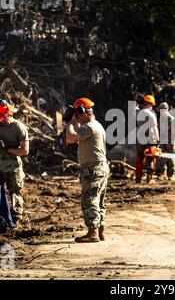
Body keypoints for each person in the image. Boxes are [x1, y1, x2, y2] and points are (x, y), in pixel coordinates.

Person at [66, 97, 109, 243]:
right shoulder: (95, 125)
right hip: (99, 167)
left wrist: (70, 123)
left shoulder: (89, 126)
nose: (75, 117)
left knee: (89, 200)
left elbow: (70, 138)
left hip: (93, 169)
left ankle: (93, 232)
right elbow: (77, 136)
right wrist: (75, 122)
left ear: (83, 112)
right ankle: (100, 229)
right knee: (98, 200)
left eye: (76, 113)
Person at [135, 95, 159, 184]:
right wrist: (157, 139)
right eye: (152, 105)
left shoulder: (139, 113)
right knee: (150, 159)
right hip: (150, 139)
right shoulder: (151, 114)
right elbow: (154, 128)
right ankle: (149, 179)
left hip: (140, 139)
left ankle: (138, 179)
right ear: (149, 104)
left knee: (139, 158)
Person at [156, 102, 175, 181]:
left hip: (171, 140)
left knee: (171, 157)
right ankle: (163, 174)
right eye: (161, 109)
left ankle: (172, 174)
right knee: (162, 156)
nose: (162, 110)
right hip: (163, 139)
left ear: (167, 109)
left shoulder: (171, 118)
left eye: (164, 109)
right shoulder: (160, 119)